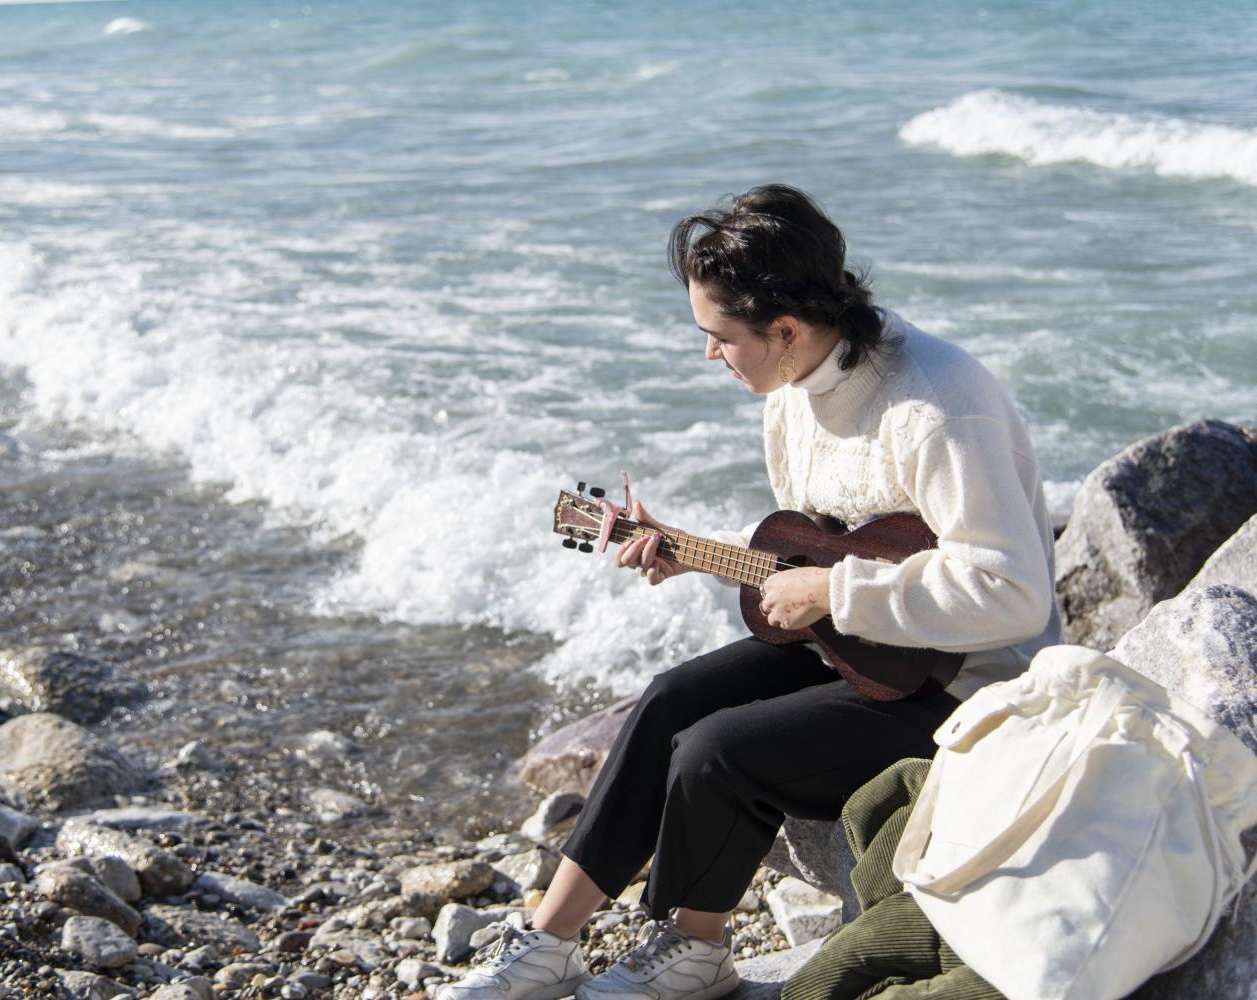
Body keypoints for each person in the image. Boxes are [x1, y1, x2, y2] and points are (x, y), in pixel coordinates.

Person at [440, 184, 1061, 1000]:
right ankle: (549, 942)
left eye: (719, 337)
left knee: (718, 749)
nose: (709, 355)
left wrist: (838, 592)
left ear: (787, 329)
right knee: (666, 701)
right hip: (866, 652)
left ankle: (697, 953)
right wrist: (694, 551)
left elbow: (1014, 592)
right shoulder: (795, 389)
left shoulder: (937, 406)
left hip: (967, 685)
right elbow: (821, 545)